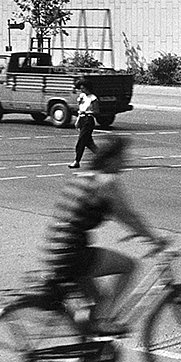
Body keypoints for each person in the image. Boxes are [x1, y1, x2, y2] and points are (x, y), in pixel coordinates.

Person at [42, 136, 166, 335]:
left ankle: (88, 347)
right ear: (110, 160)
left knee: (98, 301)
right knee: (129, 266)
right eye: (122, 157)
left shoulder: (81, 176)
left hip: (55, 249)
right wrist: (155, 239)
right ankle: (103, 322)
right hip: (72, 252)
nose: (126, 161)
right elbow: (128, 216)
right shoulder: (107, 182)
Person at [69, 79, 98, 169]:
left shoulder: (93, 98)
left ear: (88, 88)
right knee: (88, 142)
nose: (82, 90)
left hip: (88, 120)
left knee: (81, 141)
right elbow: (79, 108)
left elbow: (96, 111)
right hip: (81, 119)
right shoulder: (82, 96)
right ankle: (103, 156)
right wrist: (77, 121)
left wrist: (88, 112)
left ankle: (76, 161)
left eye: (83, 88)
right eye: (81, 88)